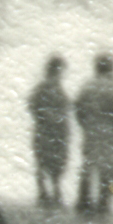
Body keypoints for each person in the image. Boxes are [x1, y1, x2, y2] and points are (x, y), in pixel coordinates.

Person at [77, 52, 113, 217]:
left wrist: (85, 124)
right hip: (108, 131)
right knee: (107, 169)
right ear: (111, 68)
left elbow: (78, 107)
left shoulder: (87, 85)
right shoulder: (112, 87)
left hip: (90, 129)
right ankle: (103, 203)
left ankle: (83, 202)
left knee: (88, 165)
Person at [27, 54, 74, 207]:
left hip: (50, 130)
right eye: (60, 69)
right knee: (50, 162)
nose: (62, 73)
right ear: (56, 70)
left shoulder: (48, 87)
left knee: (45, 162)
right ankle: (49, 194)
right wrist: (50, 117)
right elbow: (33, 106)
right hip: (51, 130)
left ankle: (47, 194)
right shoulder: (49, 87)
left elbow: (32, 105)